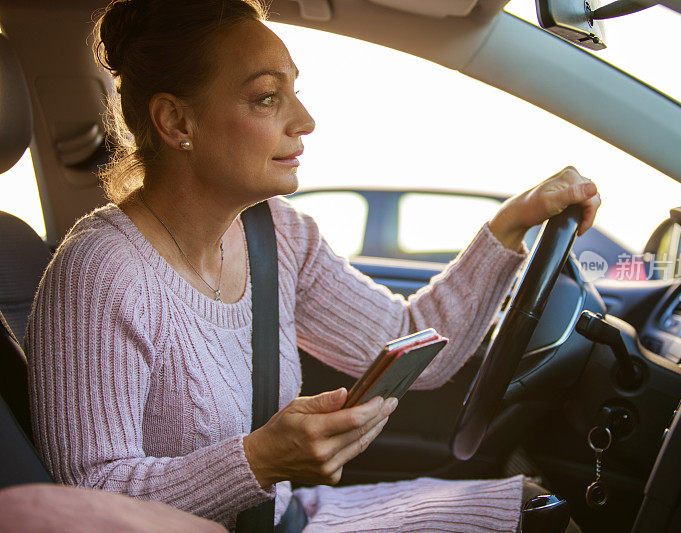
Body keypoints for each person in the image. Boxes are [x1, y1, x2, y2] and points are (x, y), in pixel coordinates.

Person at [26, 0, 601, 530]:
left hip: (288, 517)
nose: (304, 119)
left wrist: (510, 224)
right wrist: (260, 459)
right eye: (267, 97)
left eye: (294, 91)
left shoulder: (278, 232)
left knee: (533, 510)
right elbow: (92, 498)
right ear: (177, 123)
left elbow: (408, 342)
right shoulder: (101, 273)